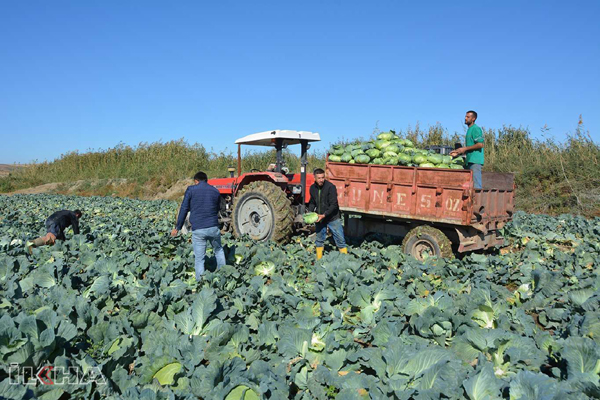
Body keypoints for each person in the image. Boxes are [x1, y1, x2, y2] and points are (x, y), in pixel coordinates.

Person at [171, 171, 225, 280]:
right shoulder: (215, 191)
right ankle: (224, 276)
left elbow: (184, 209)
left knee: (199, 259)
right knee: (219, 250)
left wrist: (178, 227)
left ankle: (200, 283)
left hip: (198, 229)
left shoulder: (191, 190)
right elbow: (221, 208)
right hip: (213, 227)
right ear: (206, 180)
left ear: (196, 181)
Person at [308, 168, 347, 259]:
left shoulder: (330, 187)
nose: (321, 180)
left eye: (323, 177)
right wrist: (310, 213)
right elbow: (312, 202)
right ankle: (319, 260)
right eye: (319, 178)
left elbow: (334, 204)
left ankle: (345, 260)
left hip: (333, 217)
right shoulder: (312, 188)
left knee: (340, 240)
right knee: (319, 240)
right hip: (320, 218)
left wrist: (324, 215)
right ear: (315, 178)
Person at [451, 110, 485, 189]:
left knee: (476, 186)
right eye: (465, 117)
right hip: (469, 160)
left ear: (473, 119)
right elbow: (470, 147)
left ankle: (477, 200)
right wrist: (458, 152)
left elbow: (480, 144)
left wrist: (465, 148)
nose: (465, 118)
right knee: (469, 186)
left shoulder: (475, 129)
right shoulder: (469, 130)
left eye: (468, 117)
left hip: (475, 161)